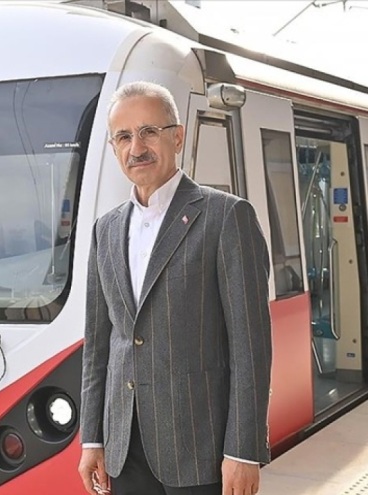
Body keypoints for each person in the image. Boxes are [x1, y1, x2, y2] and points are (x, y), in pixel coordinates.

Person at [78, 81, 273, 495]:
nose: (137, 148)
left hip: (200, 449)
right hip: (124, 448)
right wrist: (92, 438)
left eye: (149, 131)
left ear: (178, 137)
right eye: (124, 137)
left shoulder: (226, 217)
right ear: (114, 148)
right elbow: (99, 343)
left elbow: (250, 345)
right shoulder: (106, 230)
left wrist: (243, 450)